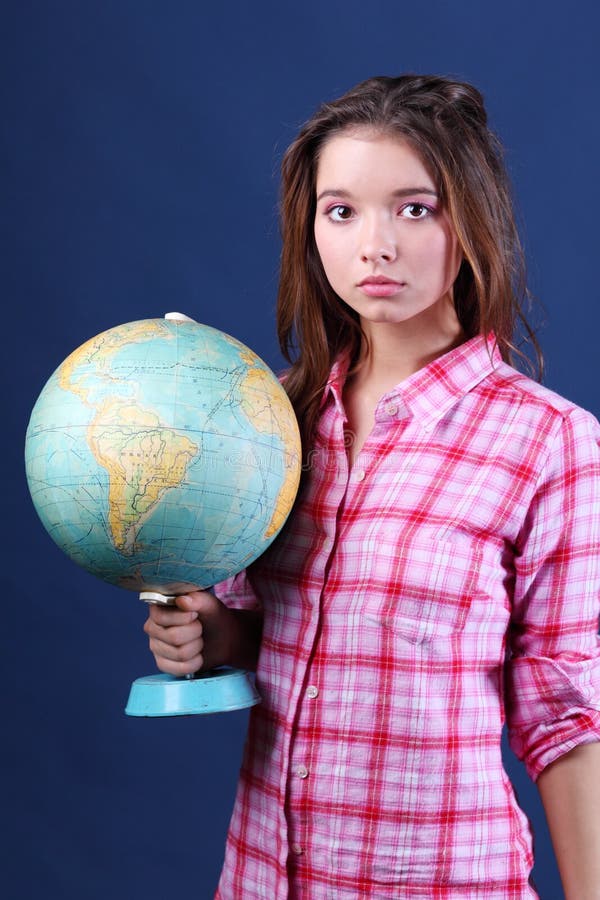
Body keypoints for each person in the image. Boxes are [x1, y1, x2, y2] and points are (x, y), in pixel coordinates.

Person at [144, 75, 600, 898]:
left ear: (473, 221)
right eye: (341, 210)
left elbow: (566, 715)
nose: (374, 245)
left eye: (415, 208)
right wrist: (215, 636)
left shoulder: (551, 442)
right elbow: (272, 633)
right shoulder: (268, 421)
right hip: (260, 879)